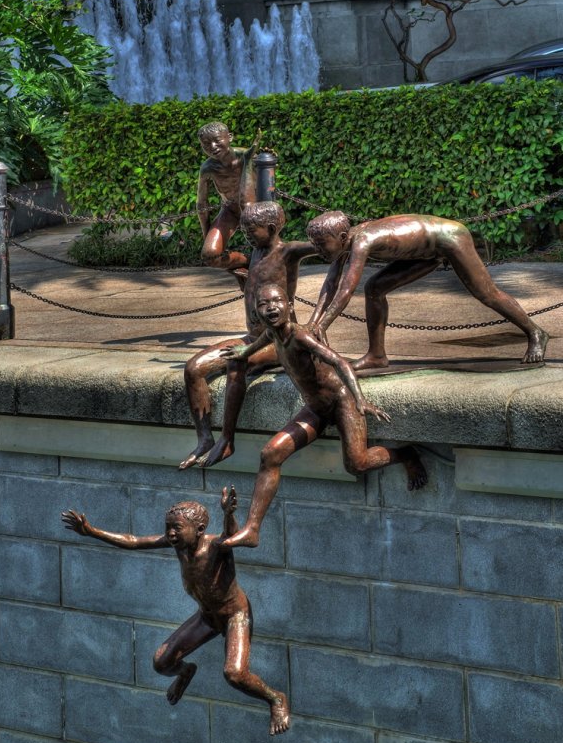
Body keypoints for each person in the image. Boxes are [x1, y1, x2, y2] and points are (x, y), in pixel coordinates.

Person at [61, 486, 290, 736]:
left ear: (200, 530)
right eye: (168, 527)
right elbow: (134, 541)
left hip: (235, 615)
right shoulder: (178, 546)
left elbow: (231, 537)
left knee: (234, 674)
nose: (170, 533)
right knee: (161, 662)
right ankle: (185, 672)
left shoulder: (216, 546)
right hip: (207, 617)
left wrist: (228, 514)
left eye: (177, 528)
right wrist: (92, 531)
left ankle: (276, 699)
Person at [219, 284, 427, 549]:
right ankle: (252, 529)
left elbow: (339, 362)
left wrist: (360, 398)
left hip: (341, 401)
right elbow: (262, 340)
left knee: (357, 464)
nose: (271, 308)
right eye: (263, 304)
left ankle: (406, 454)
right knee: (270, 454)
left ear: (290, 306)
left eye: (277, 301)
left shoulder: (301, 336)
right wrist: (243, 352)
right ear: (256, 312)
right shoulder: (272, 333)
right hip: (316, 408)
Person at [306, 210, 549, 369]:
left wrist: (323, 326)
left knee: (486, 293)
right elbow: (330, 284)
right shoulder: (344, 243)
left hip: (449, 237)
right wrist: (313, 324)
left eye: (321, 244)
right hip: (424, 252)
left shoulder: (362, 241)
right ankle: (377, 355)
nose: (319, 250)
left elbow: (346, 289)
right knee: (375, 288)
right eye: (315, 245)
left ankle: (535, 332)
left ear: (341, 236)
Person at [179, 200, 318, 470]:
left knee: (237, 362)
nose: (245, 235)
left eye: (251, 230)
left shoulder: (287, 252)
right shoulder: (252, 254)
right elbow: (211, 255)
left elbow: (325, 246)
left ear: (270, 227)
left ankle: (227, 439)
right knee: (193, 368)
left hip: (279, 341)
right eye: (243, 230)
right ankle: (205, 438)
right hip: (253, 338)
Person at [196, 121, 260, 283]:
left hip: (257, 211)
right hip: (230, 211)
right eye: (206, 144)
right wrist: (206, 236)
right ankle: (246, 261)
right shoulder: (208, 168)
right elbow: (201, 205)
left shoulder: (248, 155)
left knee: (267, 254)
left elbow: (268, 187)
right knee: (211, 256)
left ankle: (256, 262)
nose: (212, 146)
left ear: (229, 137)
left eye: (217, 140)